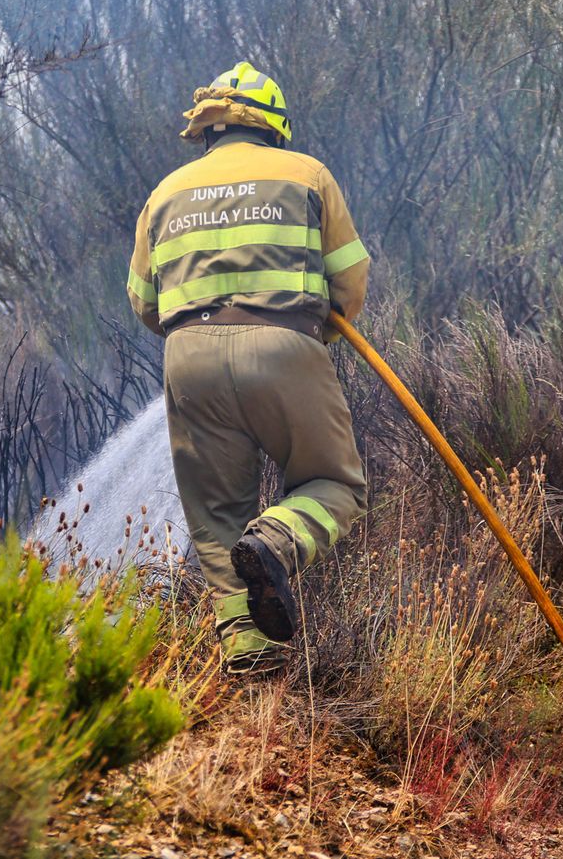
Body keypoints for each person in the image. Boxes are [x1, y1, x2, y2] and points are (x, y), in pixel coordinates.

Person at [126, 62, 370, 674]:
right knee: (335, 485)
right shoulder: (307, 174)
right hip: (284, 346)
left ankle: (249, 657)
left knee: (215, 518)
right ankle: (277, 541)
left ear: (207, 130)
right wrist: (318, 324)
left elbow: (144, 302)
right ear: (272, 128)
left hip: (189, 360)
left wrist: (197, 328)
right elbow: (351, 278)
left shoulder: (164, 193)